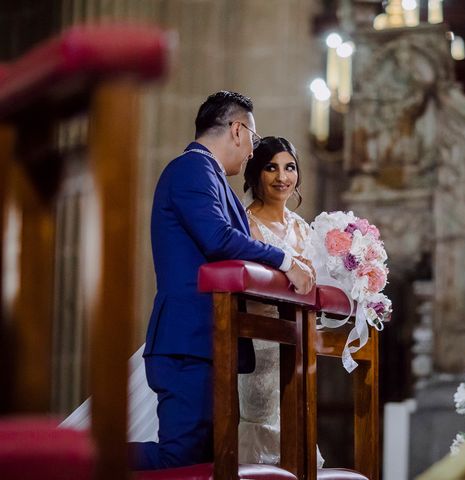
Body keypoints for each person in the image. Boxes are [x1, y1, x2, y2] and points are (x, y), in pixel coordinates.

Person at [61, 120, 317, 469]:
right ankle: (65, 460)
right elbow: (218, 239)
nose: (251, 152)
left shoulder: (210, 176)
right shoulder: (193, 169)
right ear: (238, 130)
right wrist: (285, 260)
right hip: (189, 340)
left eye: (288, 167)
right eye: (253, 142)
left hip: (213, 341)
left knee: (208, 456)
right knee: (179, 454)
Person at [238, 136, 324, 467]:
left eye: (289, 168)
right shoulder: (246, 222)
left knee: (297, 433)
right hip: (261, 344)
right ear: (256, 174)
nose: (281, 177)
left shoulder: (303, 227)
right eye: (271, 168)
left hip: (300, 346)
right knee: (261, 431)